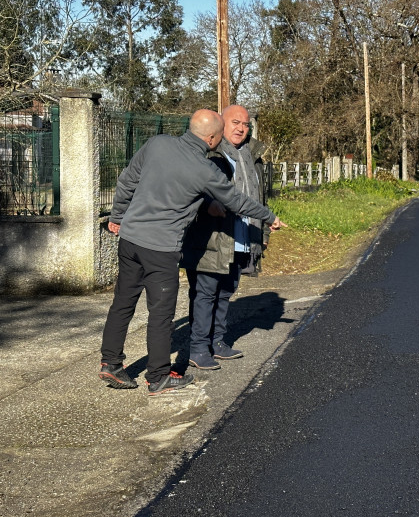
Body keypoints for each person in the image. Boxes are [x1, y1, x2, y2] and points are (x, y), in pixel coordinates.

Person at [98, 109, 286, 396]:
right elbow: (238, 202)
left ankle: (111, 363)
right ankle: (159, 376)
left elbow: (126, 181)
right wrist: (269, 217)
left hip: (130, 239)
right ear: (211, 138)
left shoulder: (157, 143)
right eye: (220, 135)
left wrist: (118, 215)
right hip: (160, 249)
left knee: (123, 302)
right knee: (161, 314)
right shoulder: (205, 170)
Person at [181, 105, 271, 371]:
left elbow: (260, 198)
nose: (241, 128)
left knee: (226, 291)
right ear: (221, 123)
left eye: (245, 124)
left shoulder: (254, 156)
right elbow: (190, 190)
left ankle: (217, 342)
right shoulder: (208, 153)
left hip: (243, 236)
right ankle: (198, 348)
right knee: (205, 293)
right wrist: (208, 205)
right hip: (211, 237)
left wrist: (262, 233)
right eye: (235, 122)